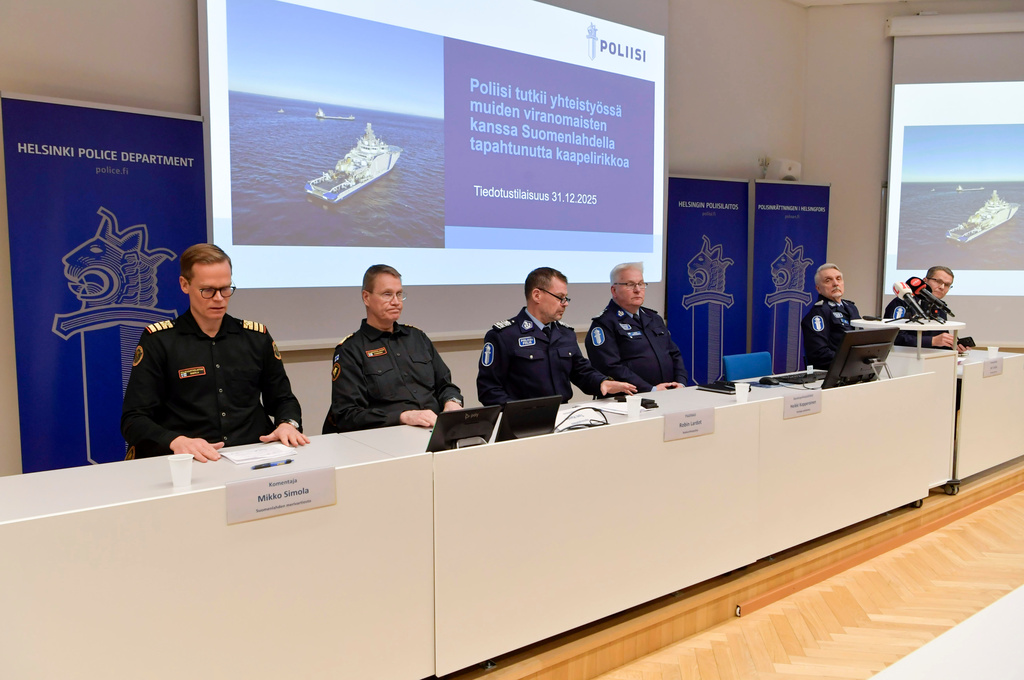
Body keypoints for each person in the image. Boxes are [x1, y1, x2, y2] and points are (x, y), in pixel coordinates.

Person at [122, 244, 309, 462]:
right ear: (185, 285)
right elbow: (133, 419)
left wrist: (288, 423)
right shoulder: (159, 341)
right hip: (191, 460)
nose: (219, 298)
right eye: (208, 290)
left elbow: (283, 399)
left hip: (252, 454)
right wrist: (175, 440)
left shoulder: (256, 337)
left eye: (226, 289)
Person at [323, 264, 464, 433]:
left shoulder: (417, 337)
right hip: (388, 435)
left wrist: (452, 402)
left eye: (399, 294)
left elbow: (446, 385)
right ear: (366, 297)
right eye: (387, 294)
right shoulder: (350, 350)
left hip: (435, 430)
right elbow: (347, 415)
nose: (396, 302)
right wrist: (402, 417)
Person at [477, 267, 636, 405]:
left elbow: (581, 371)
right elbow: (489, 389)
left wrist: (602, 382)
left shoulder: (565, 334)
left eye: (566, 298)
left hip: (562, 415)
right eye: (560, 297)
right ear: (537, 295)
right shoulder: (504, 335)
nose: (565, 303)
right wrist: (518, 412)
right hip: (522, 421)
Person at [585, 262, 687, 391]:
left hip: (667, 393)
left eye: (641, 284)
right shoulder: (604, 323)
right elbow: (609, 367)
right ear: (614, 290)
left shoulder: (654, 318)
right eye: (630, 284)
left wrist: (680, 382)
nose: (638, 289)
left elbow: (674, 354)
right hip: (629, 398)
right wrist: (650, 389)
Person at [884, 266, 966, 351]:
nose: (942, 287)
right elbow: (894, 337)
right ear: (925, 281)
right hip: (904, 355)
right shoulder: (903, 302)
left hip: (933, 356)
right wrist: (932, 341)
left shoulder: (940, 306)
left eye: (947, 285)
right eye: (938, 281)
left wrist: (952, 345)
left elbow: (940, 340)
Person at [801, 263, 861, 369]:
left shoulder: (851, 307)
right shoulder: (818, 313)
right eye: (828, 280)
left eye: (838, 279)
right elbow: (819, 354)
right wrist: (852, 360)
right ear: (818, 289)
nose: (835, 283)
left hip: (855, 368)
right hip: (832, 372)